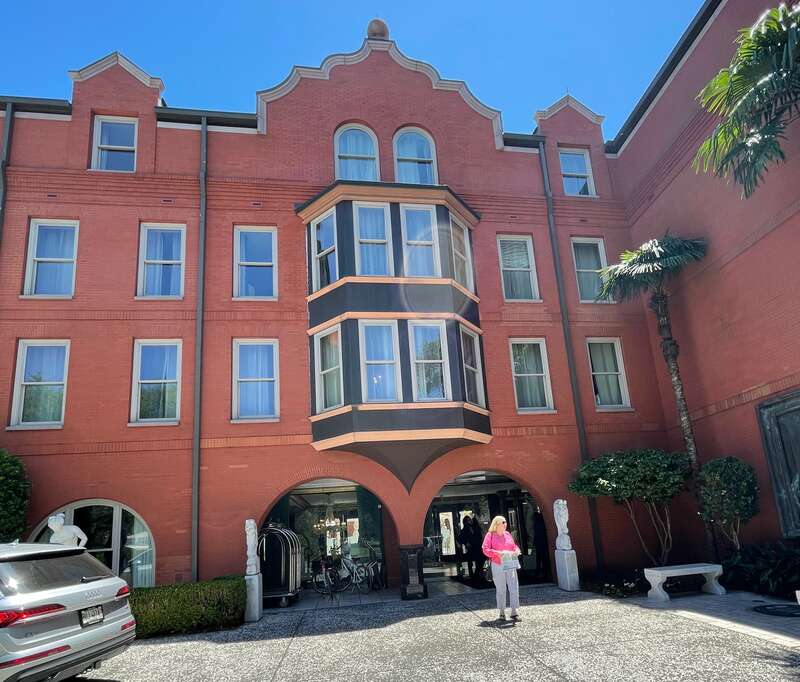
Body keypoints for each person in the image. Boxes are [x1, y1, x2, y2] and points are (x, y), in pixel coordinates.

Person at [482, 515, 522, 622]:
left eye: (505, 522)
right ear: (497, 524)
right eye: (503, 522)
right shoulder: (490, 535)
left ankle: (514, 611)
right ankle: (502, 612)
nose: (505, 524)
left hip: (510, 562)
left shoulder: (508, 534)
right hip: (497, 564)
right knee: (501, 589)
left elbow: (514, 546)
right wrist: (497, 554)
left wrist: (517, 550)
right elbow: (485, 549)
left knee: (514, 587)